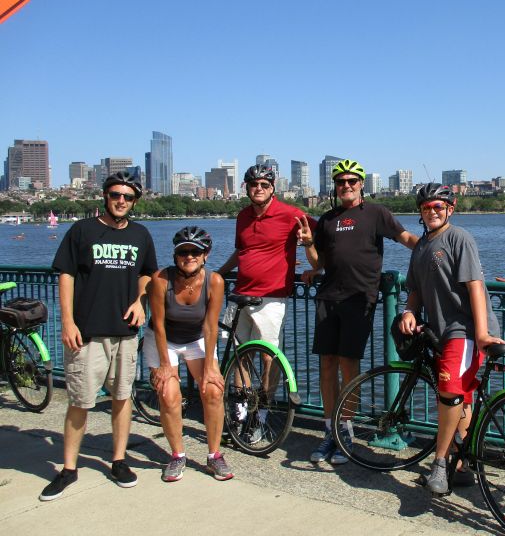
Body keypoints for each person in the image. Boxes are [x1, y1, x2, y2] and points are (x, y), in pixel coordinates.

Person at [41, 172, 158, 501]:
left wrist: (140, 301)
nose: (121, 200)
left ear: (135, 201)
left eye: (128, 196)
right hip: (88, 331)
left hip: (125, 333)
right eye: (115, 194)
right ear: (105, 197)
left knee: (122, 398)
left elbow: (149, 272)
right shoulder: (82, 230)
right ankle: (68, 468)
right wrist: (68, 321)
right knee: (80, 402)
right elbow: (65, 275)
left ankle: (118, 460)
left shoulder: (141, 234)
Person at [297, 158, 418, 465]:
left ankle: (345, 433)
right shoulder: (327, 219)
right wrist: (308, 245)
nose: (346, 185)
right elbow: (318, 262)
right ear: (335, 187)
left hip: (359, 299)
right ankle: (329, 431)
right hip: (328, 298)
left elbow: (406, 239)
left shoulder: (376, 213)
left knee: (349, 366)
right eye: (341, 182)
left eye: (352, 181)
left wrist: (439, 249)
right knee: (327, 365)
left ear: (362, 184)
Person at [397, 183, 505, 494]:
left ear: (450, 209)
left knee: (448, 392)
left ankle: (440, 463)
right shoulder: (420, 246)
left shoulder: (459, 238)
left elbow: (474, 287)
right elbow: (415, 290)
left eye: (438, 207)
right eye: (426, 207)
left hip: (465, 329)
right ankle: (463, 463)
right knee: (462, 396)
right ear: (420, 211)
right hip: (440, 330)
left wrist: (483, 333)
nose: (432, 212)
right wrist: (408, 312)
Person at [218, 164, 313, 444]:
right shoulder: (243, 216)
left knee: (268, 358)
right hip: (240, 294)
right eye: (253, 184)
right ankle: (240, 413)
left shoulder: (291, 214)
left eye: (264, 184)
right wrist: (219, 273)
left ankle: (260, 417)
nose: (258, 189)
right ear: (246, 188)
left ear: (273, 188)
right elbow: (241, 251)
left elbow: (320, 236)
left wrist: (314, 266)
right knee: (240, 357)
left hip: (271, 298)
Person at [144, 226, 232, 482]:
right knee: (169, 394)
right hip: (164, 340)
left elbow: (210, 326)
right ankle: (177, 455)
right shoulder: (161, 280)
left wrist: (211, 367)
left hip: (196, 339)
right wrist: (165, 365)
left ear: (206, 255)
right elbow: (158, 324)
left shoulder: (214, 281)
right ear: (175, 256)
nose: (190, 256)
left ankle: (214, 455)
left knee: (213, 390)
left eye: (196, 251)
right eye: (184, 252)